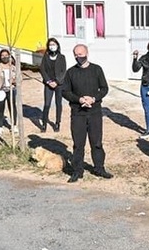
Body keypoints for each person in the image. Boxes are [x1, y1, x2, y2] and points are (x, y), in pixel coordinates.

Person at [62, 44, 113, 182]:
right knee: (78, 144)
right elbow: (65, 91)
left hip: (95, 112)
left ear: (87, 53)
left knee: (96, 142)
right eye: (76, 55)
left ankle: (99, 168)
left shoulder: (97, 69)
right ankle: (77, 171)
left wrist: (94, 99)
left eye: (81, 54)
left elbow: (104, 88)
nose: (79, 57)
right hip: (78, 113)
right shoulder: (70, 72)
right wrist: (79, 99)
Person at [39, 38, 67, 133]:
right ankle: (44, 124)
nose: (52, 46)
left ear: (57, 46)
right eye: (50, 45)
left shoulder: (62, 57)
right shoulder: (45, 57)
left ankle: (57, 122)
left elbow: (63, 71)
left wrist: (57, 82)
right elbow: (42, 69)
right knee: (47, 104)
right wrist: (48, 81)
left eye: (53, 44)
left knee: (58, 103)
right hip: (48, 84)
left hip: (59, 84)